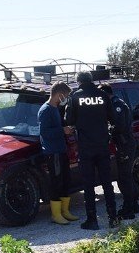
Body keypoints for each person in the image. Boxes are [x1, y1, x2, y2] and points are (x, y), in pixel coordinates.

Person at [64, 71, 119, 230]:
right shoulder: (102, 95)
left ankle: (92, 220)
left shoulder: (75, 97)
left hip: (86, 148)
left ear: (78, 82)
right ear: (91, 80)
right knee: (107, 183)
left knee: (88, 185)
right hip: (102, 145)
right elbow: (113, 118)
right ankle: (113, 218)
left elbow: (69, 120)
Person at [38, 82, 77, 225]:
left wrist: (66, 129)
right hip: (52, 152)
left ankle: (65, 211)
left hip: (61, 150)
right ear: (58, 94)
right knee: (56, 182)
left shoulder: (55, 108)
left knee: (66, 181)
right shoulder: (46, 110)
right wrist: (63, 130)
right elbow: (44, 133)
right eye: (65, 96)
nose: (65, 98)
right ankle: (55, 214)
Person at [99, 83, 138, 218]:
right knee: (127, 176)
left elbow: (119, 126)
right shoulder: (116, 103)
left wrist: (108, 132)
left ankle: (129, 210)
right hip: (125, 143)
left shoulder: (116, 105)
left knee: (123, 178)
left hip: (124, 144)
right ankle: (134, 204)